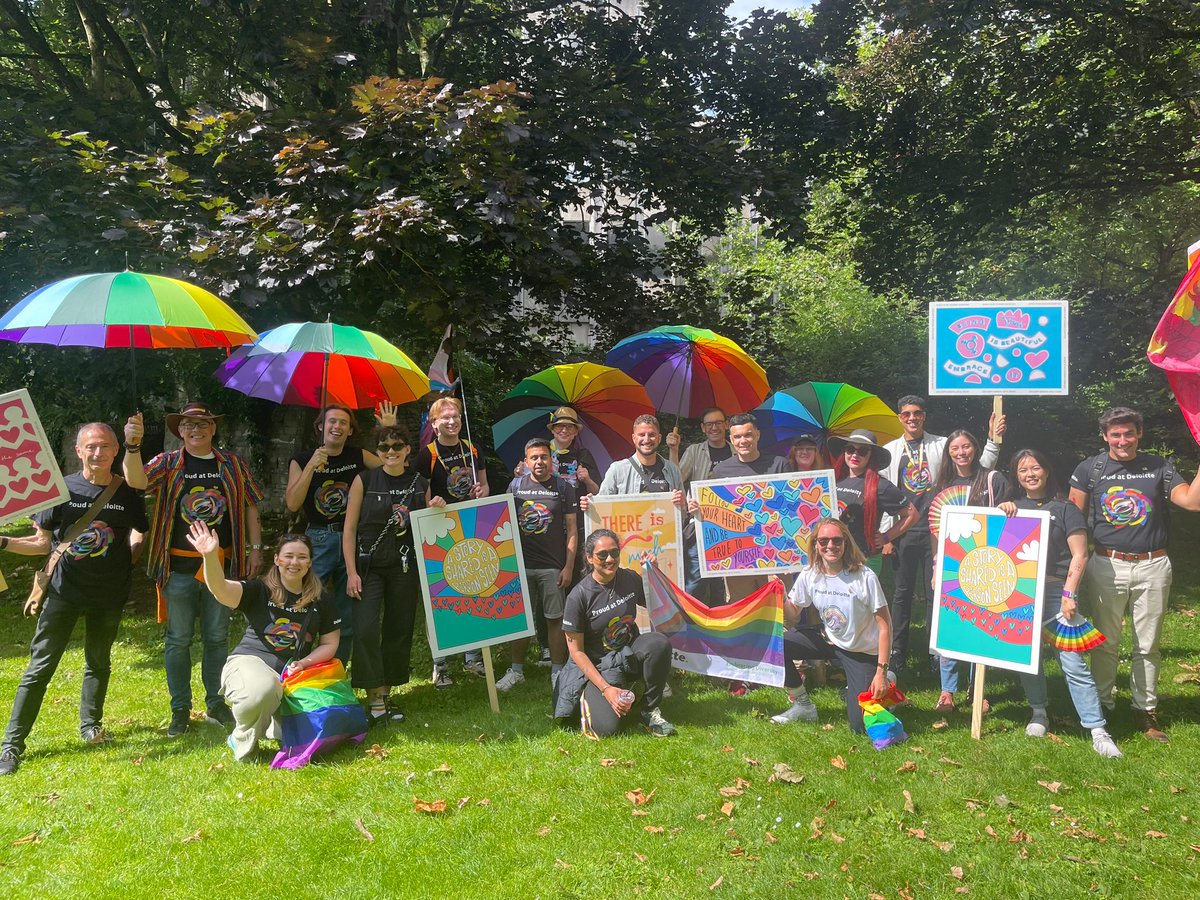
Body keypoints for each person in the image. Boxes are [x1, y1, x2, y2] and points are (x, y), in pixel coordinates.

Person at [0, 423, 148, 777]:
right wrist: (4, 542)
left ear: (116, 450)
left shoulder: (127, 492)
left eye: (106, 447)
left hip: (110, 594)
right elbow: (40, 543)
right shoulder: (60, 489)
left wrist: (129, 558)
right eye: (91, 447)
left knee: (99, 661)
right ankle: (11, 746)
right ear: (79, 450)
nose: (99, 453)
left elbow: (141, 529)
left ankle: (91, 727)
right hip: (64, 593)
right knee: (39, 668)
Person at [123, 403, 265, 738]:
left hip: (221, 567)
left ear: (213, 429)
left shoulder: (232, 464)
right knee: (178, 640)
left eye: (202, 424)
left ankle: (216, 704)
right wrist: (132, 445)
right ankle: (180, 709)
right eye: (188, 425)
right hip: (178, 568)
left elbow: (250, 506)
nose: (195, 430)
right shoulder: (168, 463)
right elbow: (136, 480)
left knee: (217, 638)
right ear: (180, 431)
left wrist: (257, 549)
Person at [1068, 406, 1200, 743]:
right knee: (1105, 641)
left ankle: (1146, 710)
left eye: (1129, 433)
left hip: (1153, 565)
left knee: (1148, 644)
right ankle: (1101, 706)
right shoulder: (1090, 468)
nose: (1123, 440)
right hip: (1107, 564)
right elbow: (1072, 515)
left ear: (1139, 434)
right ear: (1105, 436)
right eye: (1116, 434)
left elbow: (1191, 502)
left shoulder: (1159, 466)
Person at [998, 449, 1121, 758]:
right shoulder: (1013, 508)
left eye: (1035, 467)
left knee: (1073, 662)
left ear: (1047, 470)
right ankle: (1039, 713)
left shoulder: (1066, 509)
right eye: (1023, 469)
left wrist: (1069, 593)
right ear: (1016, 476)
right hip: (1021, 594)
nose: (1030, 474)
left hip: (1057, 593)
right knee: (1028, 659)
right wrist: (1000, 512)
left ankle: (1097, 729)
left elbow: (1080, 553)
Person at [186, 522, 340, 761]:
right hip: (251, 663)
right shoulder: (259, 590)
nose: (294, 562)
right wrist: (209, 556)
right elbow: (219, 589)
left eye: (302, 557)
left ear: (310, 562)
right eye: (288, 556)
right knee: (262, 691)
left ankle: (272, 724)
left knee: (320, 731)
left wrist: (305, 663)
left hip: (295, 675)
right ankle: (242, 739)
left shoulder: (322, 599)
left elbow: (330, 644)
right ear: (277, 559)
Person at [880, 395, 1003, 674]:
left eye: (917, 413)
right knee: (901, 594)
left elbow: (975, 466)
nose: (912, 418)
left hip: (940, 532)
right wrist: (886, 535)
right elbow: (886, 494)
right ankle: (898, 650)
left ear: (924, 416)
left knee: (937, 594)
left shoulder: (941, 444)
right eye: (907, 414)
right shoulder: (890, 451)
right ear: (900, 418)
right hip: (904, 531)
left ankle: (937, 652)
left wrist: (993, 441)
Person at [343, 425, 442, 726]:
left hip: (405, 566)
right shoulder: (364, 479)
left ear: (408, 449)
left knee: (399, 630)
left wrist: (437, 507)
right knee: (366, 629)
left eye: (397, 446)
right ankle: (372, 694)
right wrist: (350, 572)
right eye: (384, 447)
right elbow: (349, 530)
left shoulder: (420, 482)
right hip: (369, 567)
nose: (390, 452)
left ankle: (383, 694)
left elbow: (430, 529)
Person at [284, 402, 396, 663]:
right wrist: (312, 466)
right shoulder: (301, 459)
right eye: (332, 421)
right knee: (306, 603)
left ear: (349, 431)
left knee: (347, 608)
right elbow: (292, 503)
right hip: (318, 539)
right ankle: (294, 667)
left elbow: (393, 468)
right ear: (320, 427)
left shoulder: (358, 456)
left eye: (343, 423)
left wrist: (388, 430)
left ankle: (337, 671)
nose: (337, 426)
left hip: (353, 540)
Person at [770, 519, 893, 733]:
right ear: (815, 545)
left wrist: (881, 672)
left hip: (861, 652)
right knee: (776, 645)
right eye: (823, 540)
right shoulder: (811, 574)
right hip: (829, 639)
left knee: (860, 727)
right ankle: (803, 706)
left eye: (837, 540)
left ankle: (887, 681)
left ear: (846, 543)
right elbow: (792, 614)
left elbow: (885, 626)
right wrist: (779, 596)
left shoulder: (864, 577)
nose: (830, 546)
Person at [552, 529, 676, 737]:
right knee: (607, 730)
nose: (610, 559)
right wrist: (605, 689)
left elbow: (659, 605)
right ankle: (592, 695)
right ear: (590, 558)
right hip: (596, 668)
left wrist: (653, 573)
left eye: (614, 553)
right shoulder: (578, 596)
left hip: (626, 655)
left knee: (658, 643)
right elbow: (577, 652)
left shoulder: (628, 578)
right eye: (602, 555)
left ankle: (649, 709)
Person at [928, 429, 1011, 713]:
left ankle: (978, 689)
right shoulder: (942, 485)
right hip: (951, 567)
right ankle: (947, 691)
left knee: (981, 627)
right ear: (948, 452)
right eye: (955, 448)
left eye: (965, 446)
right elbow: (935, 532)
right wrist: (936, 566)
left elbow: (1007, 523)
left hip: (984, 565)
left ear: (974, 448)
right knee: (950, 627)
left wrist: (1008, 506)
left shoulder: (991, 479)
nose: (961, 452)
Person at [513, 406, 599, 660]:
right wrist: (518, 473)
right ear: (553, 430)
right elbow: (517, 497)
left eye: (569, 427)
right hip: (540, 535)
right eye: (559, 426)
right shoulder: (540, 454)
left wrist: (587, 480)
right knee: (540, 594)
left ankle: (575, 645)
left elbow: (598, 490)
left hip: (574, 531)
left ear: (575, 432)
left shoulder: (583, 455)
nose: (564, 430)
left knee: (570, 588)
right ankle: (545, 647)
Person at [414, 396, 489, 688]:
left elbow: (485, 486)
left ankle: (472, 657)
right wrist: (430, 501)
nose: (452, 421)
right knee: (440, 598)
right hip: (439, 531)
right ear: (434, 424)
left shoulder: (471, 448)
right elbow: (420, 497)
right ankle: (440, 664)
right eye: (445, 417)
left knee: (472, 590)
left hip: (470, 526)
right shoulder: (426, 455)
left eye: (455, 415)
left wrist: (482, 491)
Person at [496, 438, 577, 692]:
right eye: (534, 458)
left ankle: (557, 671)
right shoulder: (515, 485)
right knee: (521, 620)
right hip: (520, 565)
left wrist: (569, 567)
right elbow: (502, 522)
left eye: (544, 457)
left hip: (553, 566)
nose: (539, 462)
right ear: (526, 461)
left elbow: (573, 530)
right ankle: (516, 671)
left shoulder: (563, 487)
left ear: (551, 459)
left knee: (554, 619)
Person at [827, 429, 919, 575]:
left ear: (871, 456)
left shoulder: (881, 485)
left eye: (862, 451)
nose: (855, 455)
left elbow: (912, 514)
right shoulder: (833, 480)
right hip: (834, 557)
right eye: (850, 449)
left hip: (864, 559)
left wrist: (886, 537)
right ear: (844, 452)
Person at [666, 407, 730, 603]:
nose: (714, 427)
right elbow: (676, 478)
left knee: (724, 583)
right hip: (700, 527)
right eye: (709, 424)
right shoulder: (695, 451)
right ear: (703, 428)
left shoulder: (737, 449)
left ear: (726, 425)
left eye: (718, 422)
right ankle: (692, 625)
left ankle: (723, 625)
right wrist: (673, 450)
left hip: (732, 526)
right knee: (695, 582)